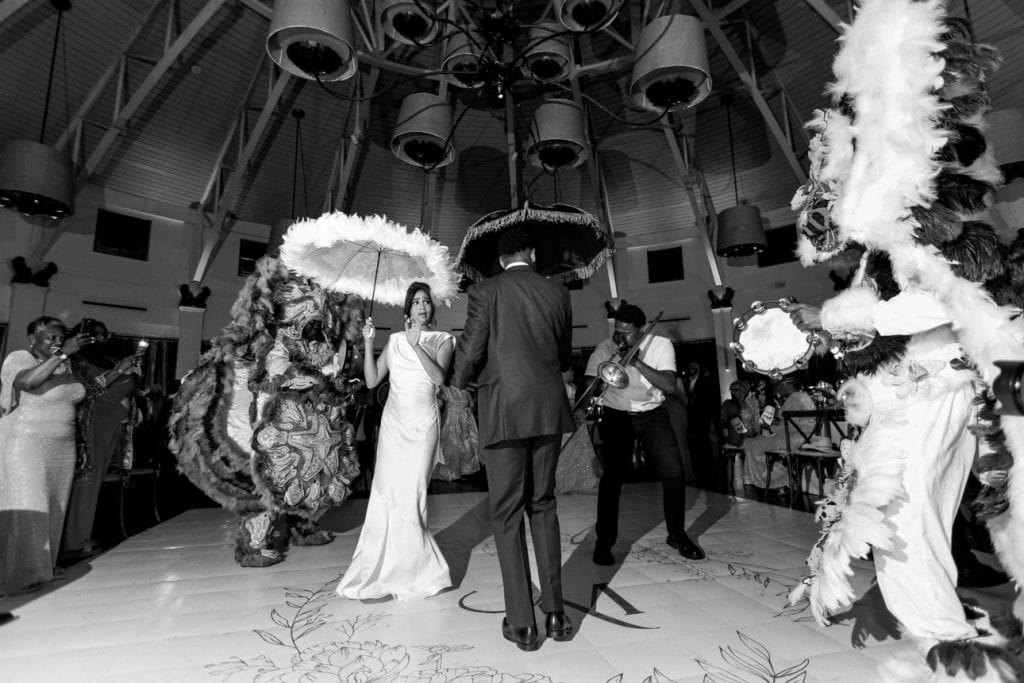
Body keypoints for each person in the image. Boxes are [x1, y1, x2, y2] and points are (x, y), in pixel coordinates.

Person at [451, 227, 575, 652]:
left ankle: (523, 624)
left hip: (504, 409)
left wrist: (459, 383)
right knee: (543, 504)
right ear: (533, 253)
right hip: (548, 409)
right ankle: (556, 613)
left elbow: (470, 352)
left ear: (501, 259)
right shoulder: (558, 293)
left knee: (506, 513)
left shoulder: (485, 291)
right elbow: (563, 354)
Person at [337, 282, 454, 601]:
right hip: (393, 425)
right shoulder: (394, 340)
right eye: (416, 301)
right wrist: (368, 342)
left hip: (423, 425)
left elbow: (439, 378)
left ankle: (418, 571)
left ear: (432, 308)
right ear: (407, 308)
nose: (422, 306)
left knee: (413, 495)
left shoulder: (443, 339)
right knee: (387, 494)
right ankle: (384, 567)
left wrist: (418, 347)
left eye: (426, 301)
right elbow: (372, 380)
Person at [587, 304, 705, 566]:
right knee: (612, 477)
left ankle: (676, 534)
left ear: (641, 329)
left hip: (652, 413)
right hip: (617, 414)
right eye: (617, 330)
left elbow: (669, 385)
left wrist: (636, 361)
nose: (620, 336)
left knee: (674, 471)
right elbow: (589, 384)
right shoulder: (605, 347)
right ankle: (603, 542)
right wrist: (598, 379)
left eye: (626, 332)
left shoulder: (661, 345)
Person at [0, 317, 92, 595]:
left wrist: (81, 443)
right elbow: (28, 382)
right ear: (33, 339)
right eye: (51, 338)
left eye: (61, 338)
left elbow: (73, 403)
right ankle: (19, 574)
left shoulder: (65, 365)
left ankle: (43, 566)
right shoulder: (19, 358)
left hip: (63, 446)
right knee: (31, 505)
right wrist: (63, 353)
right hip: (28, 443)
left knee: (55, 505)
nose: (57, 342)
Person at [61, 320, 144, 558]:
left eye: (102, 334)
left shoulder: (109, 360)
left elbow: (131, 390)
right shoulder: (75, 361)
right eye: (93, 334)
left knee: (94, 483)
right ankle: (72, 542)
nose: (99, 338)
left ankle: (81, 535)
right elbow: (85, 391)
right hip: (89, 424)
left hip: (111, 427)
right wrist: (120, 370)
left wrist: (133, 378)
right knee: (83, 481)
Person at [683, 361, 718, 491]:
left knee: (704, 438)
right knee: (696, 440)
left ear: (698, 369)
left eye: (694, 367)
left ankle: (708, 466)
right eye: (690, 367)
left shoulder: (704, 381)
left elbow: (708, 398)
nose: (691, 369)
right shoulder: (687, 381)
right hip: (691, 415)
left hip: (703, 414)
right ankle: (699, 465)